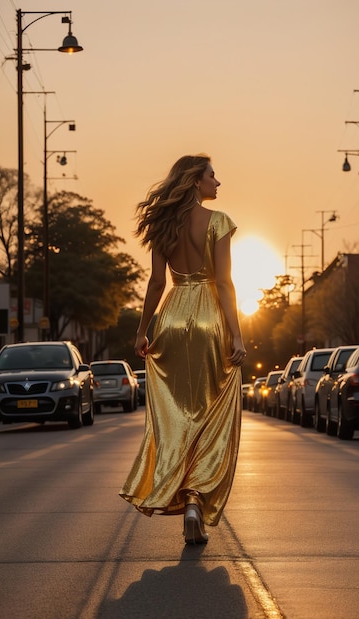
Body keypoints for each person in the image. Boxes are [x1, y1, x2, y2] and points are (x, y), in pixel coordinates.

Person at [119, 154, 246, 544]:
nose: (217, 182)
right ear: (195, 181)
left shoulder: (163, 225)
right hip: (209, 316)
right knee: (213, 414)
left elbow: (156, 283)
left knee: (178, 414)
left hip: (172, 316)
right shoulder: (218, 222)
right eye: (212, 176)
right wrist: (236, 335)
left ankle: (180, 490)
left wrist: (143, 331)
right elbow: (224, 283)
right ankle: (195, 499)